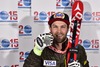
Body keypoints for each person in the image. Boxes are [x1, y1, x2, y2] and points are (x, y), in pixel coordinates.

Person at [23, 12, 89, 67]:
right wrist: (37, 51)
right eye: (55, 27)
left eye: (63, 27)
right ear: (50, 28)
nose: (59, 31)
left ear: (68, 28)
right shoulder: (42, 48)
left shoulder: (78, 49)